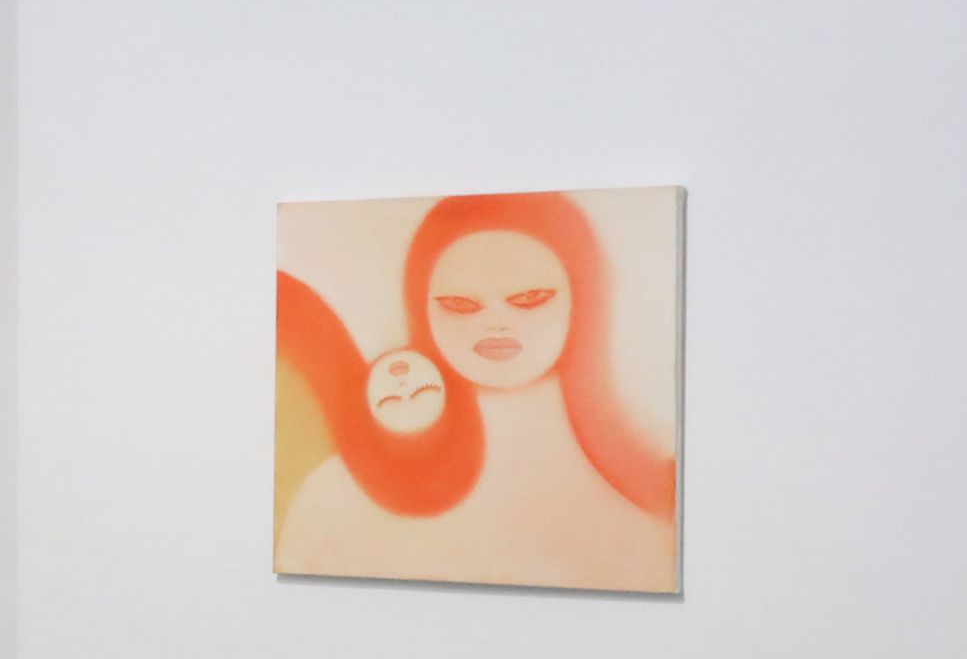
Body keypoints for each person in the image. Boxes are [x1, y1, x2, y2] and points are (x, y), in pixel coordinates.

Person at [275, 191, 677, 593]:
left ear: (583, 302)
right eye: (460, 305)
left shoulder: (657, 502)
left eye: (529, 299)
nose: (496, 323)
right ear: (422, 309)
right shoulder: (335, 496)